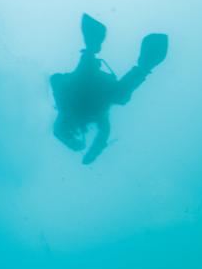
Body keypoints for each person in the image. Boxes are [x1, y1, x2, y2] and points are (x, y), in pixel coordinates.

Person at [51, 14, 168, 164]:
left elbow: (61, 130)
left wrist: (88, 153)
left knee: (116, 92)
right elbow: (103, 133)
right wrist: (90, 154)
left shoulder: (66, 109)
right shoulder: (94, 115)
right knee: (120, 95)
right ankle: (143, 63)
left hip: (85, 82)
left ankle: (94, 49)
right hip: (95, 85)